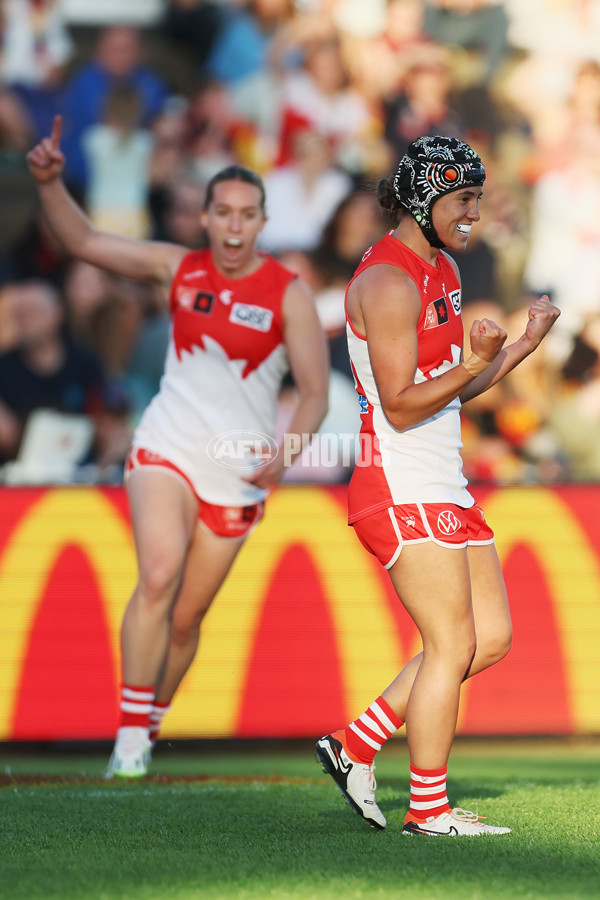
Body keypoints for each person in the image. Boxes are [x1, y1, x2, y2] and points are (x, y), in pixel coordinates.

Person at [27, 116, 329, 777]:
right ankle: (130, 740)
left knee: (187, 621)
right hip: (165, 446)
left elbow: (314, 393)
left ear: (262, 221)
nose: (233, 226)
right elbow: (83, 240)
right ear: (204, 217)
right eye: (222, 212)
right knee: (158, 576)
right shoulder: (176, 266)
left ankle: (146, 725)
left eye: (247, 215)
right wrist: (50, 184)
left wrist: (285, 453)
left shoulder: (290, 296)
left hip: (238, 471)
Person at [315, 135, 559, 836]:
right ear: (424, 198)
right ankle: (428, 809)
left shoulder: (440, 267)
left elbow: (451, 389)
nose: (474, 212)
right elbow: (400, 401)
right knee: (451, 646)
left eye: (476, 197)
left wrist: (516, 350)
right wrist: (477, 357)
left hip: (438, 478)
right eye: (463, 198)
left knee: (491, 639)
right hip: (398, 481)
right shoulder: (387, 281)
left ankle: (355, 745)